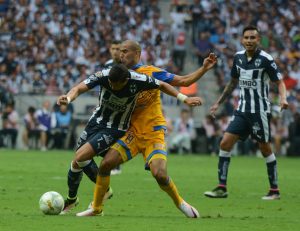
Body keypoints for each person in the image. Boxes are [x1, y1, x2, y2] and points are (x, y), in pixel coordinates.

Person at [76, 40, 217, 218]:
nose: (121, 54)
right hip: (132, 132)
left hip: (153, 132)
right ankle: (96, 208)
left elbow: (183, 81)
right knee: (106, 164)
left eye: (125, 51)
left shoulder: (151, 73)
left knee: (159, 174)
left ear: (137, 53)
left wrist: (203, 69)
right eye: (120, 51)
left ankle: (180, 202)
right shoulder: (118, 76)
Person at [59, 63, 202, 214]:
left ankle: (100, 199)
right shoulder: (103, 75)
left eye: (116, 85)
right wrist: (68, 98)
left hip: (116, 128)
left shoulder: (139, 79)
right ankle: (83, 200)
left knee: (82, 156)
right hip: (96, 122)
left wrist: (184, 98)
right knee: (80, 161)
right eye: (110, 84)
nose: (112, 87)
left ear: (126, 80)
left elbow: (163, 85)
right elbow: (79, 88)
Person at [204, 25, 289, 200]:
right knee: (225, 143)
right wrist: (218, 103)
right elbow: (232, 83)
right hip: (242, 111)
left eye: (253, 38)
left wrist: (283, 98)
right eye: (246, 38)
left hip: (259, 112)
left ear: (258, 40)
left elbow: (279, 82)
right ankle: (222, 187)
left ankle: (274, 190)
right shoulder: (238, 58)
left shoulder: (266, 59)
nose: (249, 41)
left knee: (265, 148)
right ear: (242, 40)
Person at [104, 40, 123, 175]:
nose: (115, 51)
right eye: (113, 48)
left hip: (124, 105)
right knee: (109, 135)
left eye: (118, 48)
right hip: (109, 105)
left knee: (118, 135)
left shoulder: (126, 66)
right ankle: (112, 165)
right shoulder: (107, 65)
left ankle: (117, 166)